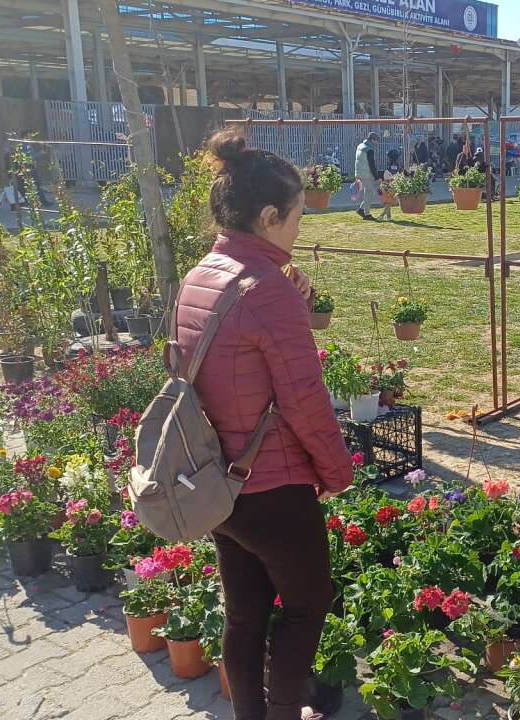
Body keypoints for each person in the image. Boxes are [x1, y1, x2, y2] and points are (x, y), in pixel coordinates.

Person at [176, 129, 353, 720]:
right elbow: (304, 399)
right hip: (274, 482)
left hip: (222, 481)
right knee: (307, 603)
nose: (301, 227)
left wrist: (289, 288)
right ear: (272, 214)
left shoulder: (204, 271)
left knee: (246, 613)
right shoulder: (266, 290)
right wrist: (336, 470)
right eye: (298, 215)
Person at [353, 132, 381, 220]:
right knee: (370, 193)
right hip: (366, 174)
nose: (377, 143)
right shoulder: (369, 150)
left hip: (359, 173)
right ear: (372, 140)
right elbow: (372, 165)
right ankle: (366, 212)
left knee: (367, 193)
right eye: (377, 141)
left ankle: (362, 210)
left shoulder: (360, 146)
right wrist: (376, 177)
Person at [380, 148, 403, 222]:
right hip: (391, 184)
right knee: (389, 201)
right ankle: (387, 216)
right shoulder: (396, 165)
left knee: (388, 201)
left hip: (388, 183)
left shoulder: (390, 165)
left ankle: (383, 215)